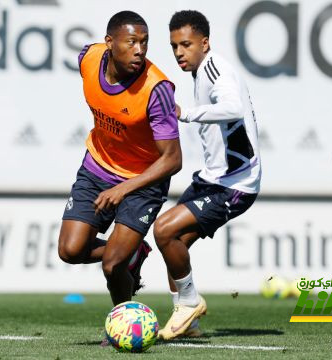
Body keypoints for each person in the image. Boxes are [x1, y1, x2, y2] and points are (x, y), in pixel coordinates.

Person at [58, 11, 182, 307]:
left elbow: (173, 160)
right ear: (110, 43)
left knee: (113, 265)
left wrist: (123, 189)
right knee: (70, 251)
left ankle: (123, 320)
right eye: (131, 42)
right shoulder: (88, 58)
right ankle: (135, 252)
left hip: (143, 179)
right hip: (98, 166)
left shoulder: (157, 90)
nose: (139, 50)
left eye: (145, 42)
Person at [155, 10, 261, 340]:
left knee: (163, 230)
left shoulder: (217, 70)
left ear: (205, 42)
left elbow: (233, 108)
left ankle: (189, 304)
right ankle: (189, 322)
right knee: (174, 246)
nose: (179, 53)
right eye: (174, 46)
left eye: (185, 45)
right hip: (213, 178)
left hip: (236, 184)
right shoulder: (200, 71)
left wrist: (185, 114)